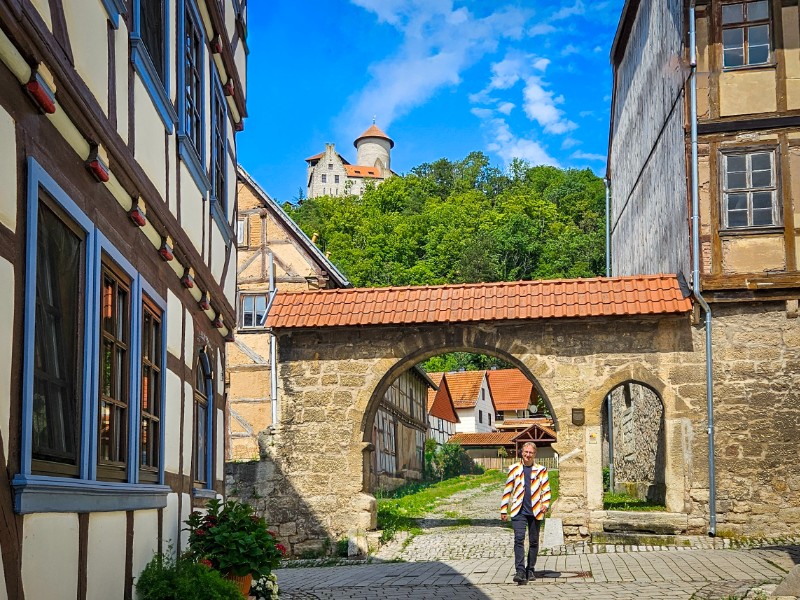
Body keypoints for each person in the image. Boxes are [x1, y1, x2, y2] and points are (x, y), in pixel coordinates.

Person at [499, 441, 551, 585]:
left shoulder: (541, 470)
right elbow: (508, 489)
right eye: (526, 452)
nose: (528, 455)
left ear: (535, 454)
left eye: (531, 453)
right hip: (518, 510)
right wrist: (504, 509)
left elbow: (546, 489)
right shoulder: (514, 469)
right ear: (522, 452)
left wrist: (545, 504)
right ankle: (520, 571)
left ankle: (530, 569)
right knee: (519, 539)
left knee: (534, 541)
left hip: (536, 511)